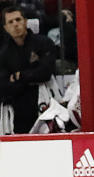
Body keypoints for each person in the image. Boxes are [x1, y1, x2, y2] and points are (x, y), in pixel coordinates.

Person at [0, 4, 56, 134]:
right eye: (10, 22)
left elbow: (46, 72)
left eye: (18, 20)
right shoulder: (3, 54)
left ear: (25, 21)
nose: (15, 24)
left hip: (43, 103)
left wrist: (19, 76)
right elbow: (3, 85)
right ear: (5, 28)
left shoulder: (44, 43)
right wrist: (30, 76)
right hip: (16, 108)